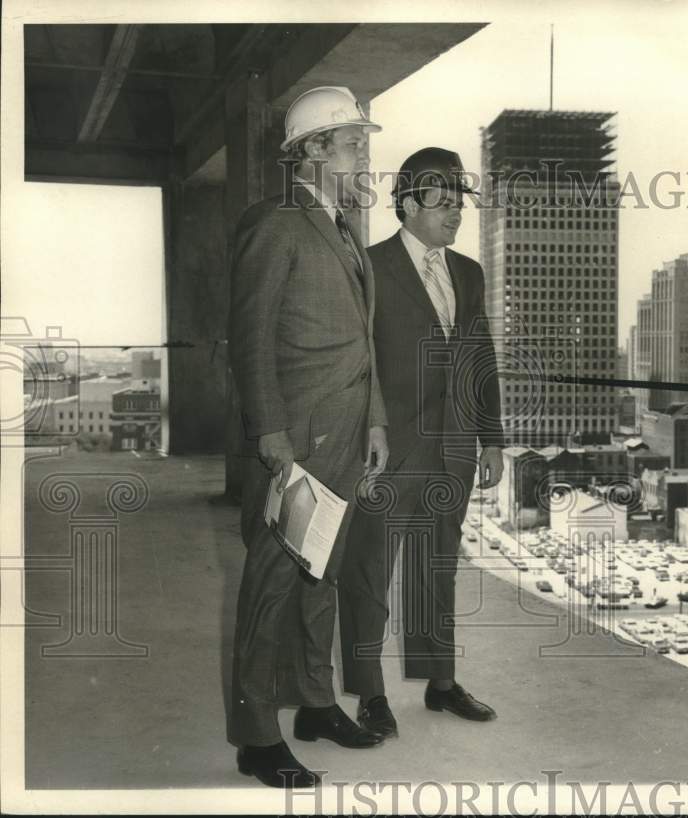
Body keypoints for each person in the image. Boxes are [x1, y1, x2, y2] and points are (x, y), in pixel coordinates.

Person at [227, 86, 389, 788]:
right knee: (273, 584)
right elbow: (250, 340)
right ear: (314, 151)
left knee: (322, 576)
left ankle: (317, 704)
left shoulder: (345, 229)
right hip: (297, 437)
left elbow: (364, 341)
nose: (366, 155)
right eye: (354, 143)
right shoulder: (277, 224)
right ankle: (257, 736)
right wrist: (270, 433)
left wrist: (377, 418)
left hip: (351, 432)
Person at [338, 148, 506, 738]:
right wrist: (369, 430)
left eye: (460, 203)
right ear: (409, 204)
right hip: (389, 444)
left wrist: (492, 438)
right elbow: (356, 359)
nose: (456, 214)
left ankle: (439, 682)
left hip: (454, 447)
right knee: (371, 570)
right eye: (443, 203)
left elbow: (480, 355)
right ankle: (369, 694)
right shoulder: (369, 266)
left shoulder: (469, 272)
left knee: (436, 568)